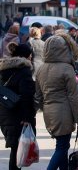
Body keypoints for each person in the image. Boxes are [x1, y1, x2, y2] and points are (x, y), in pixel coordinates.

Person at [35, 32, 78, 169]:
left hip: (48, 112)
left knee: (61, 145)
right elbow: (73, 97)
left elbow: (38, 96)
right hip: (63, 112)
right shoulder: (67, 68)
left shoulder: (41, 69)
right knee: (62, 147)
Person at [0, 42, 36, 170]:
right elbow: (27, 97)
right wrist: (27, 118)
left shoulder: (4, 69)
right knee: (16, 152)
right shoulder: (24, 71)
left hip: (5, 113)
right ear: (27, 56)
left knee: (15, 150)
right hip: (18, 116)